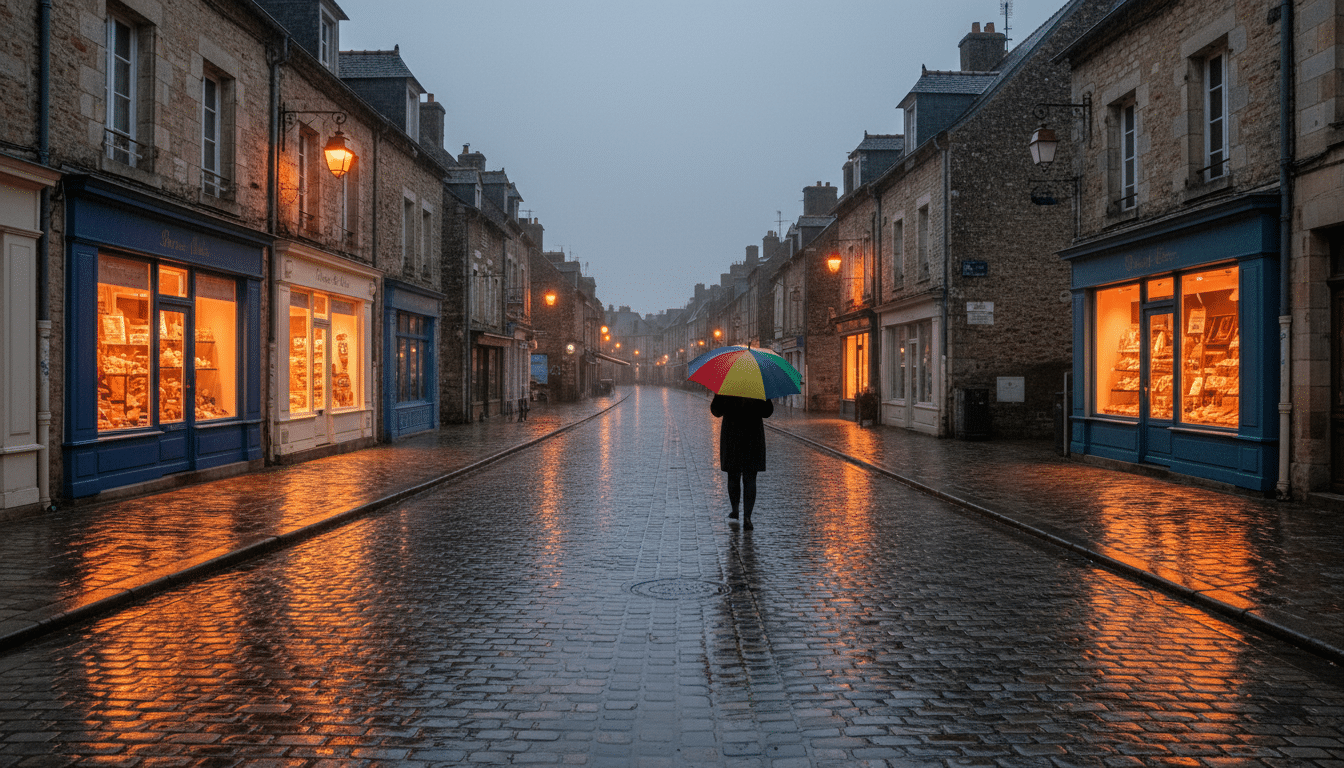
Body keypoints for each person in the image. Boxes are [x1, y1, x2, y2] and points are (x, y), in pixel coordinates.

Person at [710, 394, 774, 529]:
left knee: (733, 476)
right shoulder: (757, 388)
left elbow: (716, 411)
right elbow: (767, 412)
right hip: (752, 437)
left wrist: (718, 396)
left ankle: (735, 510)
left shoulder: (727, 387)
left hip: (732, 436)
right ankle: (747, 517)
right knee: (750, 478)